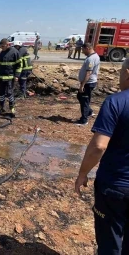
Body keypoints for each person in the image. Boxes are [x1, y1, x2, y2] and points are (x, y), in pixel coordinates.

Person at [75, 57, 129, 255]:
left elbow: (99, 146)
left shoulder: (117, 101)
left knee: (110, 241)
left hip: (115, 185)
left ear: (127, 74)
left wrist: (82, 174)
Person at [0, 38, 22, 116]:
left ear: (8, 45)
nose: (2, 48)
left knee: (9, 93)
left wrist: (17, 75)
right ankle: (1, 107)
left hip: (10, 77)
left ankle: (12, 107)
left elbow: (19, 65)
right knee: (1, 92)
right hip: (1, 77)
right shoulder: (1, 54)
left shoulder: (14, 52)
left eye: (3, 46)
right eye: (1, 46)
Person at [75, 43, 100, 126]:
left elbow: (88, 73)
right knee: (80, 96)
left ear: (88, 48)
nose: (82, 51)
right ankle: (89, 112)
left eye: (83, 50)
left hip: (88, 83)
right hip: (89, 82)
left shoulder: (91, 59)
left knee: (84, 100)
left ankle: (84, 120)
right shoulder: (93, 56)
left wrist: (82, 85)